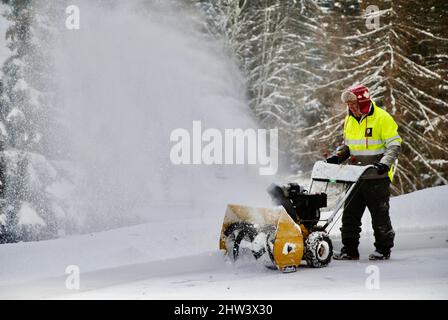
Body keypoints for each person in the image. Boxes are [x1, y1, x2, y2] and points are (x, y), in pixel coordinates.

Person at [326, 85, 402, 260]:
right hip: (355, 176)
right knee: (350, 216)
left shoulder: (382, 118)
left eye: (354, 104)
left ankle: (383, 249)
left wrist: (384, 164)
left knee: (379, 216)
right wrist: (338, 156)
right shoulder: (349, 119)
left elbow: (394, 144)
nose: (351, 108)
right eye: (349, 105)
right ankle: (349, 250)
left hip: (377, 177)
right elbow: (348, 146)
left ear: (363, 101)